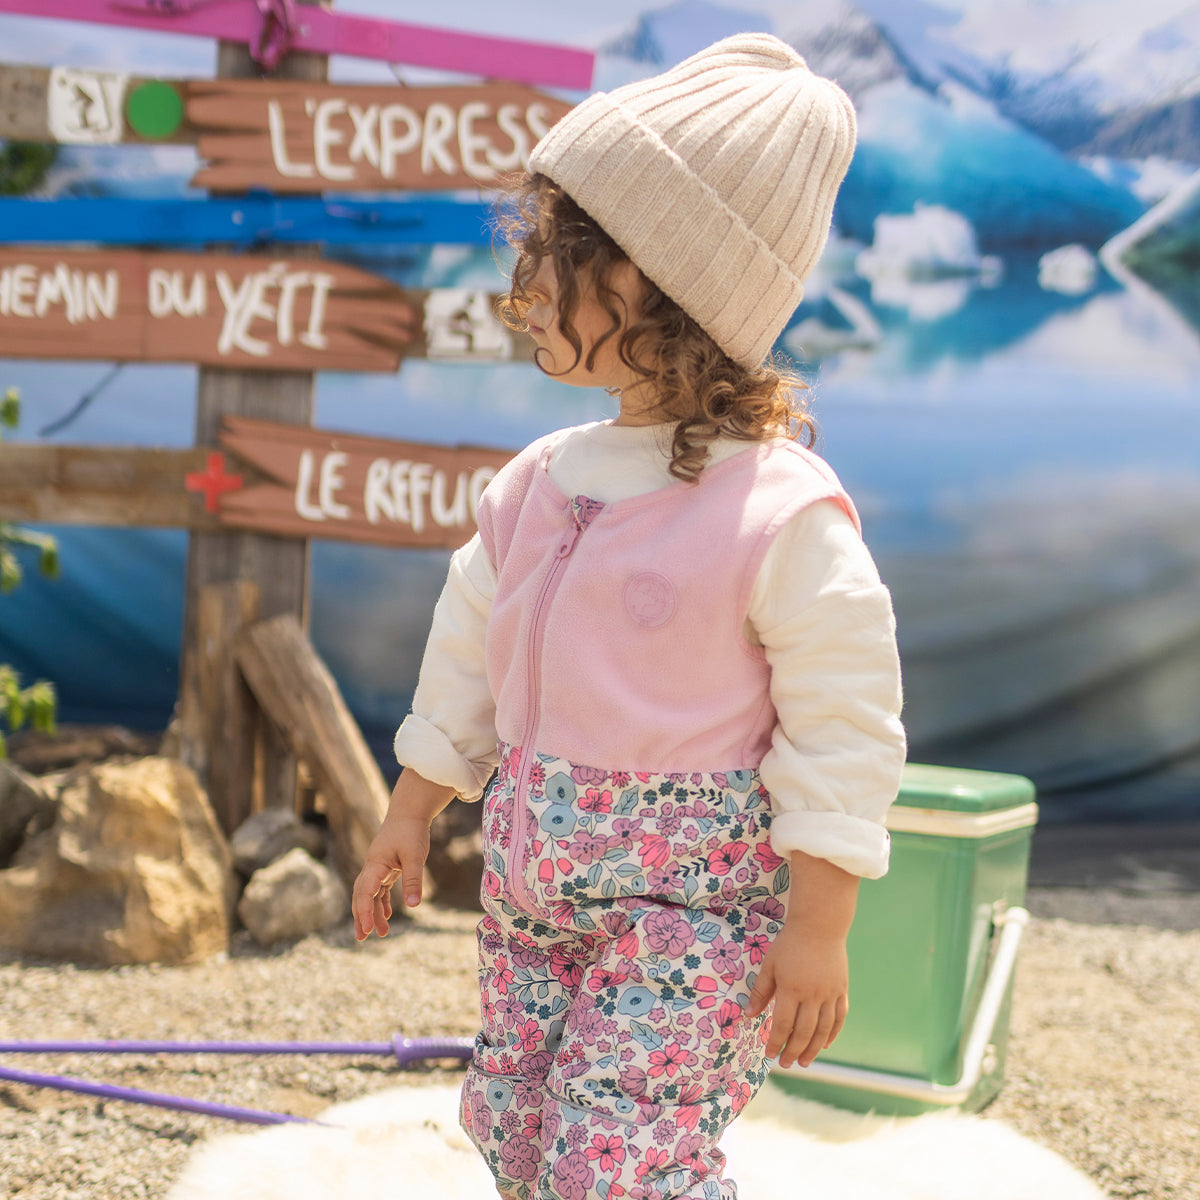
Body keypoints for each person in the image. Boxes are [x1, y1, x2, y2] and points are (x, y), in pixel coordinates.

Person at [353, 33, 905, 1200]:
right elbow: (467, 653)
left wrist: (819, 925)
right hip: (530, 894)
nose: (528, 288)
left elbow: (845, 721)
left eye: (566, 259)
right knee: (514, 1129)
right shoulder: (539, 482)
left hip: (690, 916)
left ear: (668, 285)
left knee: (619, 1161)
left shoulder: (777, 512)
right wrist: (412, 809)